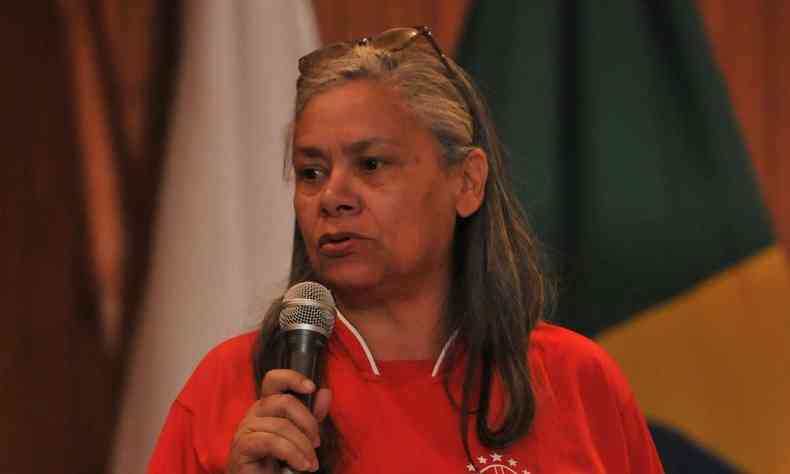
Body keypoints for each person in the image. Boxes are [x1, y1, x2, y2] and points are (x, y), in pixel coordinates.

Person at [147, 26, 664, 474]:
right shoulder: (232, 385)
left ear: (466, 183)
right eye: (311, 173)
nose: (332, 197)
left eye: (371, 165)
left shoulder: (574, 379)